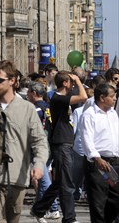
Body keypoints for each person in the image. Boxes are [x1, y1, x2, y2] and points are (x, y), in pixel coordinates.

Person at [0, 60, 48, 223]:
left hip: (17, 176)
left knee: (12, 219)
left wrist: (38, 164)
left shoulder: (27, 108)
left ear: (13, 81)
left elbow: (39, 142)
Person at [31, 71, 87, 223]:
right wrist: (78, 81)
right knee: (67, 183)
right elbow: (84, 97)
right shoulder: (58, 98)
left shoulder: (61, 98)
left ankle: (39, 208)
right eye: (70, 82)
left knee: (60, 181)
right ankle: (69, 217)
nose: (73, 84)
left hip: (66, 143)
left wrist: (75, 81)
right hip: (61, 143)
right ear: (65, 83)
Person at [78, 82, 119, 223]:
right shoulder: (89, 115)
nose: (115, 99)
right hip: (98, 164)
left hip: (114, 162)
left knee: (115, 202)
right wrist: (97, 159)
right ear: (102, 98)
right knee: (98, 204)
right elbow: (86, 140)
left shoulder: (113, 114)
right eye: (112, 96)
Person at [27, 81, 60, 220]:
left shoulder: (36, 109)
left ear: (34, 94)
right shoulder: (48, 107)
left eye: (28, 92)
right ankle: (43, 207)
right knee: (42, 178)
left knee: (44, 178)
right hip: (51, 145)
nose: (27, 95)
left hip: (41, 147)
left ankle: (53, 207)